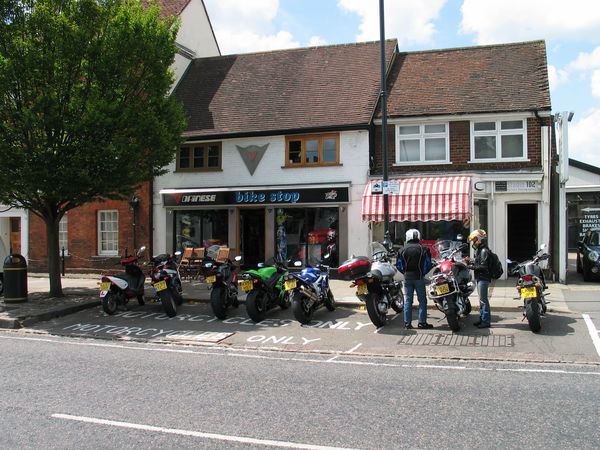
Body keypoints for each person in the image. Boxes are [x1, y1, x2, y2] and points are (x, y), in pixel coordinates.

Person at [397, 229, 433, 329]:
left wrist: (405, 273)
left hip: (407, 278)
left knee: (408, 301)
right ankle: (422, 323)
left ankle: (407, 323)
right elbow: (428, 264)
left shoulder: (402, 250)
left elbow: (399, 265)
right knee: (422, 300)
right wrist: (423, 272)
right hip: (419, 277)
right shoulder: (424, 249)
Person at [467, 229, 492, 328]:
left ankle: (485, 321)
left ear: (480, 240)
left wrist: (471, 267)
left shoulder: (484, 251)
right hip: (480, 277)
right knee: (481, 299)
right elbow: (479, 263)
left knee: (483, 300)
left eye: (475, 240)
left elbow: (483, 266)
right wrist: (471, 262)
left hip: (483, 278)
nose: (473, 242)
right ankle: (482, 318)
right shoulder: (480, 250)